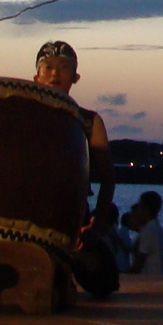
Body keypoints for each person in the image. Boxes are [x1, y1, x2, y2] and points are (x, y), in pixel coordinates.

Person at [33, 40, 115, 218]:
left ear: (75, 77)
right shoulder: (23, 116)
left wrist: (97, 223)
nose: (55, 73)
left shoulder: (89, 121)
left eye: (63, 68)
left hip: (71, 219)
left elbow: (108, 179)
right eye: (48, 67)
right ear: (36, 77)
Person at [132, 191, 163, 275]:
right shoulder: (160, 230)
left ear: (146, 209)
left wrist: (126, 274)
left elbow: (140, 261)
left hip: (150, 279)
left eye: (140, 207)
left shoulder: (148, 231)